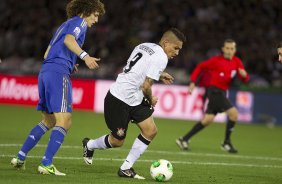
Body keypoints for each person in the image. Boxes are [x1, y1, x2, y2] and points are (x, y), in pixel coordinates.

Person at [11, 0, 105, 176]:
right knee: (65, 120)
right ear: (87, 11)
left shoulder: (63, 25)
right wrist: (84, 57)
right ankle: (46, 163)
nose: (96, 20)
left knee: (48, 121)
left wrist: (70, 62)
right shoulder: (80, 22)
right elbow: (70, 41)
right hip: (57, 73)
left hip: (46, 71)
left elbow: (48, 53)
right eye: (96, 15)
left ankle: (20, 157)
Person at [82, 28, 186, 179]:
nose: (177, 53)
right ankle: (90, 144)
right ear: (165, 43)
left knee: (150, 130)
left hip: (134, 98)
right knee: (117, 141)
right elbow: (146, 86)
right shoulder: (161, 58)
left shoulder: (144, 46)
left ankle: (126, 168)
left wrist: (160, 74)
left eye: (179, 50)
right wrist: (151, 100)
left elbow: (138, 67)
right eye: (176, 48)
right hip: (119, 98)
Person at [176, 39, 249, 153]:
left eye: (232, 48)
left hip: (223, 92)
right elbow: (200, 66)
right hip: (215, 92)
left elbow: (245, 79)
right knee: (234, 114)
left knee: (207, 120)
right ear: (223, 49)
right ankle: (226, 142)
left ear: (235, 50)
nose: (230, 51)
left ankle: (183, 139)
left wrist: (244, 76)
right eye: (227, 48)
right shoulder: (216, 61)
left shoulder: (237, 61)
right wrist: (192, 82)